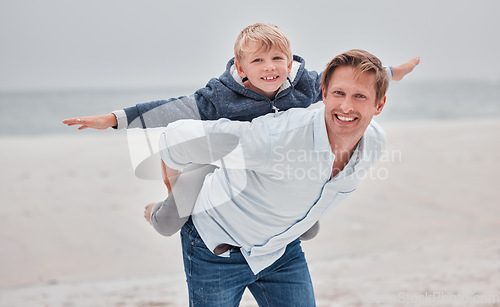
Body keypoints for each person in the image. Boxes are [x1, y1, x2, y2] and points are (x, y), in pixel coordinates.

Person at [63, 23, 419, 240]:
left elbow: (358, 81)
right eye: (259, 60)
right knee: (172, 222)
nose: (270, 68)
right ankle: (156, 211)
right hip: (217, 162)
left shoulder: (305, 85)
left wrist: (395, 73)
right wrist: (112, 119)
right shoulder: (220, 96)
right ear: (241, 67)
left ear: (290, 60)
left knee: (308, 228)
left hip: (269, 167)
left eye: (278, 58)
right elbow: (169, 110)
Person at [154, 49, 397, 306]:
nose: (346, 106)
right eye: (339, 93)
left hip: (280, 251)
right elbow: (177, 139)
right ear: (324, 94)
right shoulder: (276, 138)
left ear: (379, 104)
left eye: (360, 96)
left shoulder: (374, 143)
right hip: (216, 246)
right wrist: (173, 187)